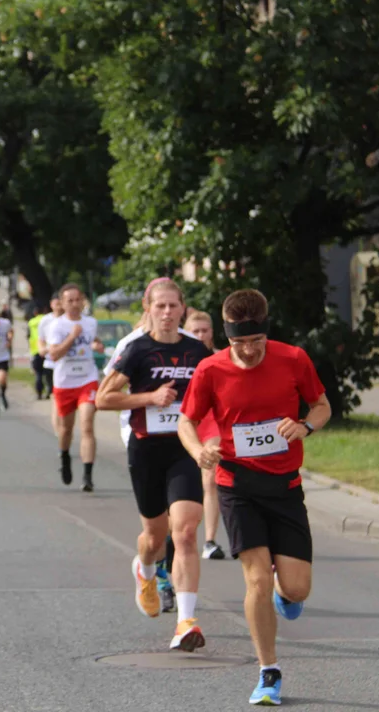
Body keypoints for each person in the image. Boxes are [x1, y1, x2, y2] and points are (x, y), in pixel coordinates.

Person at [178, 289, 330, 707]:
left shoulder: (294, 359)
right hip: (237, 486)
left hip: (284, 488)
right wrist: (199, 452)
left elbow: (321, 405)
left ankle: (287, 594)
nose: (246, 351)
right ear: (227, 337)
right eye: (238, 343)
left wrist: (305, 426)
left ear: (266, 332)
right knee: (257, 579)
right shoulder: (210, 370)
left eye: (254, 342)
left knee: (297, 590)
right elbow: (186, 421)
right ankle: (269, 671)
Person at [97, 278, 212, 651]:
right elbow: (104, 398)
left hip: (183, 448)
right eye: (159, 306)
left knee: (186, 533)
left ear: (183, 309)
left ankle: (186, 621)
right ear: (147, 307)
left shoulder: (198, 351)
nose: (166, 313)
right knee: (156, 538)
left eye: (172, 306)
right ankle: (144, 569)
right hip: (146, 450)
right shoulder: (136, 350)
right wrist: (150, 397)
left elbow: (218, 395)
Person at [45, 284, 104, 492]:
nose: (74, 304)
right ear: (61, 303)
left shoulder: (90, 322)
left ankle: (88, 475)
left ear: (83, 301)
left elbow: (92, 341)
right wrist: (71, 336)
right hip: (65, 382)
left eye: (78, 300)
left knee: (87, 424)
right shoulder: (57, 326)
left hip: (87, 379)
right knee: (66, 429)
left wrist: (97, 345)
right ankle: (64, 455)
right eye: (69, 300)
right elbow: (54, 354)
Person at [183, 309, 226, 561]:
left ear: (212, 332)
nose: (200, 336)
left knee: (210, 477)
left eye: (204, 331)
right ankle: (179, 533)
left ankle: (209, 540)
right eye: (194, 331)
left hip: (212, 422)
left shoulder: (222, 358)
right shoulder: (177, 358)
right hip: (184, 422)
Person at [36, 294, 63, 402]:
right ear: (51, 304)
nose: (59, 307)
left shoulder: (68, 320)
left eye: (60, 304)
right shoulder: (46, 320)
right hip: (50, 361)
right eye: (56, 304)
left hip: (64, 361)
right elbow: (40, 338)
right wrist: (41, 348)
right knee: (54, 394)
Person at [27, 305, 48, 400]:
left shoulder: (31, 322)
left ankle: (39, 393)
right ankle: (49, 391)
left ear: (35, 313)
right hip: (46, 348)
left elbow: (28, 335)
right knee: (48, 373)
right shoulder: (46, 320)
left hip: (35, 349)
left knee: (38, 373)